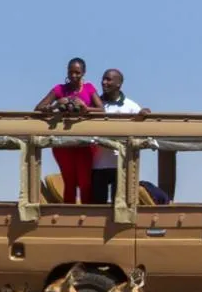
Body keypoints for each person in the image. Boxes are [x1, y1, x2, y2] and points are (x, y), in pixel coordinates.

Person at [35, 58, 102, 203]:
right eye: (71, 72)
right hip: (63, 143)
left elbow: (101, 110)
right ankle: (69, 213)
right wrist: (56, 105)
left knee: (85, 182)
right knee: (69, 181)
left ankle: (87, 213)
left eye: (77, 72)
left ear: (83, 73)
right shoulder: (59, 89)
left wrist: (85, 108)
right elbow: (38, 108)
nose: (73, 76)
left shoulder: (89, 88)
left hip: (85, 143)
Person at [91, 68, 150, 204]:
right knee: (97, 207)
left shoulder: (130, 106)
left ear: (119, 84)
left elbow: (143, 125)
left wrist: (145, 113)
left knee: (120, 205)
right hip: (97, 165)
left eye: (108, 79)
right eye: (103, 79)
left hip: (121, 165)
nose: (104, 82)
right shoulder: (95, 104)